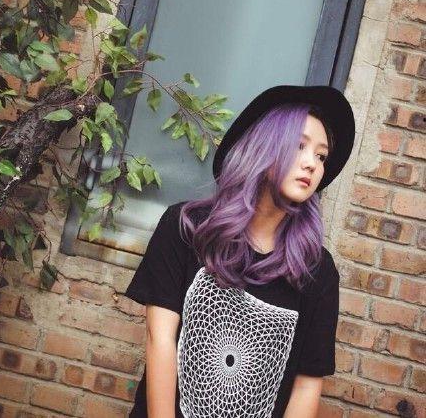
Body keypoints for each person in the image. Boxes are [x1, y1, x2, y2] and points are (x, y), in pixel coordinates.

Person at [125, 84, 356, 418]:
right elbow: (159, 338)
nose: (312, 164)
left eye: (321, 156)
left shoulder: (316, 270)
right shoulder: (187, 228)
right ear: (264, 147)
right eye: (299, 146)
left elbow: (307, 385)